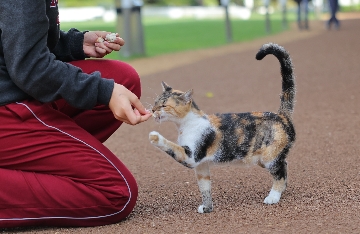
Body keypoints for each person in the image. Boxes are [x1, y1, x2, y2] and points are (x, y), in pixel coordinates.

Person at [0, 0, 152, 229]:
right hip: (7, 103)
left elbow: (15, 40)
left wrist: (74, 43)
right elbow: (30, 68)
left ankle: (43, 161)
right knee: (116, 193)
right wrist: (104, 91)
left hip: (12, 85)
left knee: (123, 80)